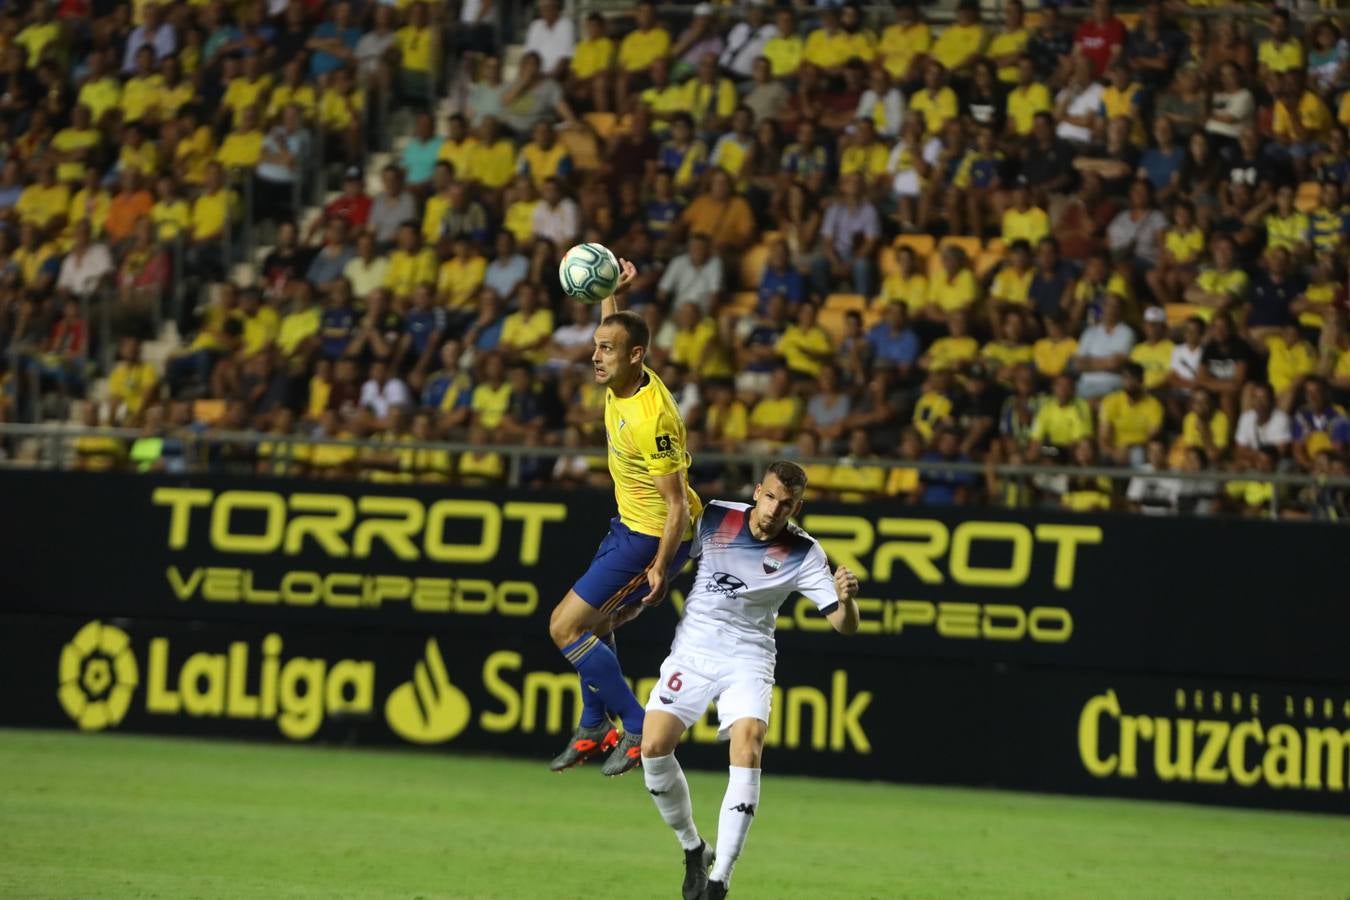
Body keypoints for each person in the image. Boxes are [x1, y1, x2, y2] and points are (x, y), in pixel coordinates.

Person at [637, 461, 860, 900]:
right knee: (653, 747)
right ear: (758, 492)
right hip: (694, 650)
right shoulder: (715, 516)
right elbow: (672, 547)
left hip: (748, 656)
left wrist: (847, 602)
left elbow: (844, 625)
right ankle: (693, 848)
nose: (776, 509)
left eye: (787, 504)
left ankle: (721, 878)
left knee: (750, 740)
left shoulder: (803, 551)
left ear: (798, 506)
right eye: (772, 497)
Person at [547, 260, 704, 777]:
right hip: (629, 525)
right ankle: (594, 725)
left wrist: (661, 566)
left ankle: (635, 725)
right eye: (595, 346)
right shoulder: (626, 375)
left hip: (653, 534)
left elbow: (677, 505)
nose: (594, 357)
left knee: (565, 628)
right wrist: (608, 291)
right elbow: (620, 332)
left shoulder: (652, 418)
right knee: (599, 624)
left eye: (605, 350)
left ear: (634, 357)